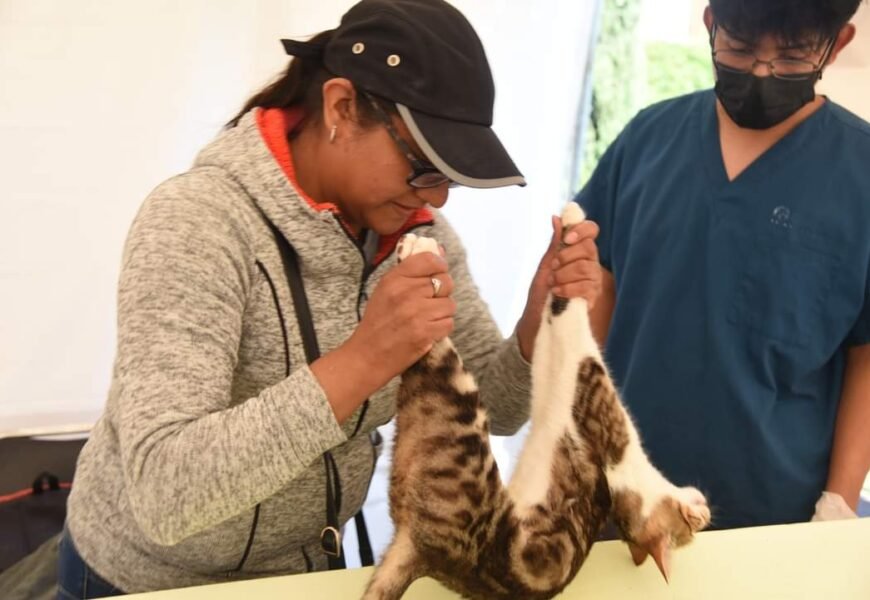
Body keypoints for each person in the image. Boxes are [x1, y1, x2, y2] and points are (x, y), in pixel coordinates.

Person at [57, 0, 602, 596]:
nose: (439, 199)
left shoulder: (419, 233)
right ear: (341, 107)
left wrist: (533, 324)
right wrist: (366, 359)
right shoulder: (197, 222)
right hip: (150, 582)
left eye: (451, 176)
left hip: (304, 574)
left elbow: (495, 410)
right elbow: (166, 492)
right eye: (425, 166)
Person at [578, 0, 870, 530]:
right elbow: (596, 288)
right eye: (739, 48)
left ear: (838, 43)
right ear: (711, 25)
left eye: (790, 57)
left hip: (772, 514)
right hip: (622, 497)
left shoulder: (860, 174)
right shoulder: (648, 141)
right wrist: (574, 438)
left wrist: (839, 500)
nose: (761, 73)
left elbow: (867, 355)